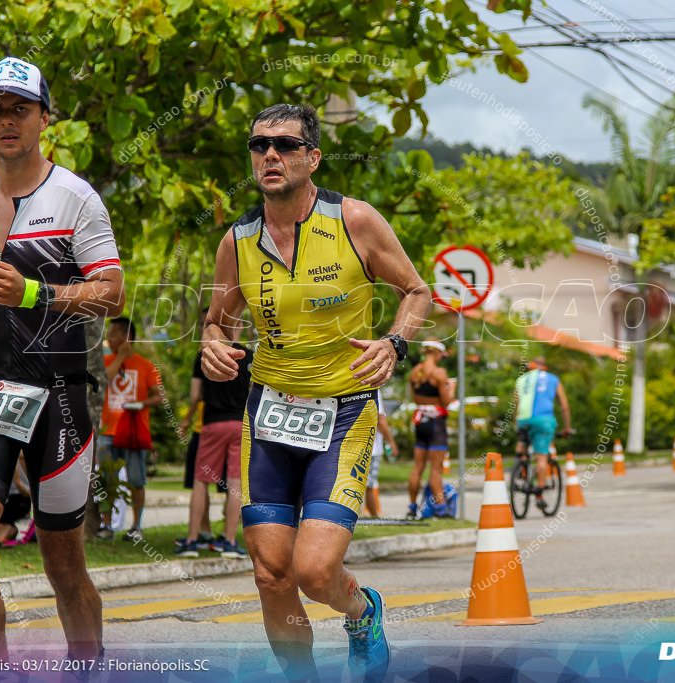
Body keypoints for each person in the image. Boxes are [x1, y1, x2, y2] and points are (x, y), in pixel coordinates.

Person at [201, 104, 431, 681]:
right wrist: (212, 345)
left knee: (314, 572)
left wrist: (395, 343)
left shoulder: (355, 221)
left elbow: (416, 292)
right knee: (269, 574)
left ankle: (361, 612)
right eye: (258, 146)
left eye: (283, 144)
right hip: (270, 411)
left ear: (312, 156)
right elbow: (216, 320)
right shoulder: (238, 239)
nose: (269, 155)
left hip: (343, 410)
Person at [0, 56, 123, 664]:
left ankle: (86, 671)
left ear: (44, 117)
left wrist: (37, 293)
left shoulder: (76, 197)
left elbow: (112, 293)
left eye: (20, 108)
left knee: (64, 565)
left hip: (60, 397)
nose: (6, 119)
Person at [176, 339, 253, 559]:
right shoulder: (248, 355)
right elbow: (253, 392)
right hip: (239, 423)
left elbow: (196, 396)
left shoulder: (205, 354)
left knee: (201, 481)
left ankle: (191, 541)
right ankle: (228, 541)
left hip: (212, 423)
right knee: (235, 482)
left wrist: (187, 420)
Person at [97, 316, 164, 542]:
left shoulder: (145, 365)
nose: (109, 338)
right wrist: (121, 358)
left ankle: (136, 526)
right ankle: (106, 524)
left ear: (127, 336)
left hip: (134, 431)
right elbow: (104, 382)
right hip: (107, 431)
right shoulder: (106, 362)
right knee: (107, 479)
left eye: (113, 333)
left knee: (137, 480)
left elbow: (159, 397)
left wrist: (141, 404)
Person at [513, 357, 573, 510]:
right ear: (544, 367)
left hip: (523, 419)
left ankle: (520, 465)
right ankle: (539, 492)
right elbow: (564, 406)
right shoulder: (553, 379)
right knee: (541, 456)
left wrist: (516, 424)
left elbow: (516, 405)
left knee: (522, 442)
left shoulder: (521, 379)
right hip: (543, 420)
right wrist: (567, 428)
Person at [406, 339, 454, 519]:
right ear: (436, 353)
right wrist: (452, 389)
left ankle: (412, 507)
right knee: (436, 469)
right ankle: (441, 509)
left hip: (421, 422)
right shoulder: (439, 373)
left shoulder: (414, 373)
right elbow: (447, 401)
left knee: (417, 467)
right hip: (436, 425)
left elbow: (417, 400)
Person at [363, 391, 398, 518]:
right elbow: (381, 420)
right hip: (372, 448)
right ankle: (374, 516)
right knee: (370, 485)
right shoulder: (374, 389)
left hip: (356, 444)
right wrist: (391, 442)